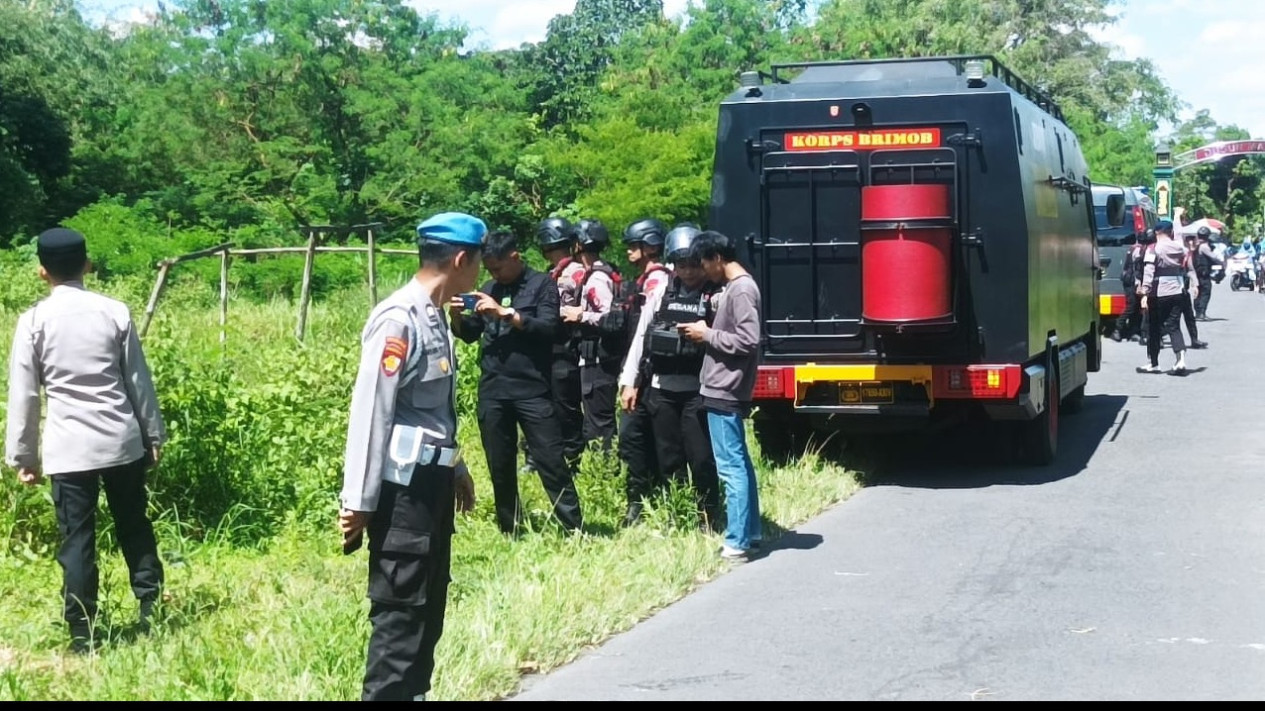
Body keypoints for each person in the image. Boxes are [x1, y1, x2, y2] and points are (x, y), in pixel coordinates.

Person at [339, 211, 482, 701]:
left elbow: (429, 412)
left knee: (427, 614)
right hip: (401, 497)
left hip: (431, 487)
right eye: (478, 260)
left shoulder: (436, 314)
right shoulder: (399, 319)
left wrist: (457, 466)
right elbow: (371, 411)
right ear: (462, 259)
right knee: (400, 620)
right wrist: (358, 500)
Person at [4, 227, 166, 655]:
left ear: (43, 272)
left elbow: (25, 393)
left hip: (68, 448)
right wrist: (153, 434)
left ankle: (82, 631)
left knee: (77, 539)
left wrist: (23, 455)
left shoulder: (34, 321)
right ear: (86, 265)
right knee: (134, 523)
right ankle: (150, 605)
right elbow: (137, 382)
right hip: (121, 440)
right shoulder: (114, 312)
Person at [450, 230, 583, 535]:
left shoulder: (542, 285)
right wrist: (457, 316)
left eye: (498, 267)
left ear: (515, 257)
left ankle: (573, 528)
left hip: (532, 389)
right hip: (494, 389)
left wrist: (507, 314)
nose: (494, 273)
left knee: (551, 460)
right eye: (489, 268)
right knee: (500, 463)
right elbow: (469, 333)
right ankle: (510, 526)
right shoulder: (489, 288)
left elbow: (549, 328)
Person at [619, 224, 722, 531]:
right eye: (681, 265)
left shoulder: (715, 296)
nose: (688, 272)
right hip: (661, 389)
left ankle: (708, 517)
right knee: (669, 459)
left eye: (693, 265)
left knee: (701, 458)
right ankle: (678, 516)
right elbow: (641, 337)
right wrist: (629, 381)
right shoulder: (662, 292)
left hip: (697, 391)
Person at [680, 230, 763, 562]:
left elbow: (748, 339)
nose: (703, 271)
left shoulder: (741, 289)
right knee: (739, 463)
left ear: (717, 257)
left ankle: (737, 540)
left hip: (725, 388)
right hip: (724, 386)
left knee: (730, 468)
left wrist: (706, 333)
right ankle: (751, 532)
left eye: (704, 263)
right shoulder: (737, 288)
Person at [612, 218, 672, 526]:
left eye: (632, 245)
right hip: (637, 369)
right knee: (634, 438)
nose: (628, 251)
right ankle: (638, 500)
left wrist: (633, 378)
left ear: (648, 246)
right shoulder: (641, 280)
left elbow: (646, 332)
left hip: (649, 374)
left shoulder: (658, 281)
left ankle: (648, 500)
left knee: (640, 437)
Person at [560, 219, 623, 453]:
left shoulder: (596, 279)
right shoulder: (603, 272)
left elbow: (608, 317)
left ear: (578, 245)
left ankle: (606, 470)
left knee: (599, 421)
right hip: (597, 357)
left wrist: (581, 315)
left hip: (598, 360)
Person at [537, 217, 586, 464]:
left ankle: (572, 455)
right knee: (549, 403)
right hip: (549, 346)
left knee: (566, 406)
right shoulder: (550, 274)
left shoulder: (576, 273)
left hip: (568, 345)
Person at [1138, 219, 1194, 374]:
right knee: (1174, 325)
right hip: (1178, 289)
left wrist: (1145, 292)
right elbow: (1180, 236)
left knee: (1153, 327)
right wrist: (1177, 218)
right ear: (1171, 232)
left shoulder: (1153, 249)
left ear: (1156, 232)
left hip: (1158, 292)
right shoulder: (1179, 247)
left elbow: (1149, 271)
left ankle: (1154, 363)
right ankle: (1180, 360)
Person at [1192, 226, 1223, 321]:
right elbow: (1213, 257)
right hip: (1203, 274)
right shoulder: (1204, 246)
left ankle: (1198, 313)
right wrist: (1221, 262)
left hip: (1197, 273)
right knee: (1205, 293)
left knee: (1198, 293)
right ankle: (1201, 313)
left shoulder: (1195, 245)